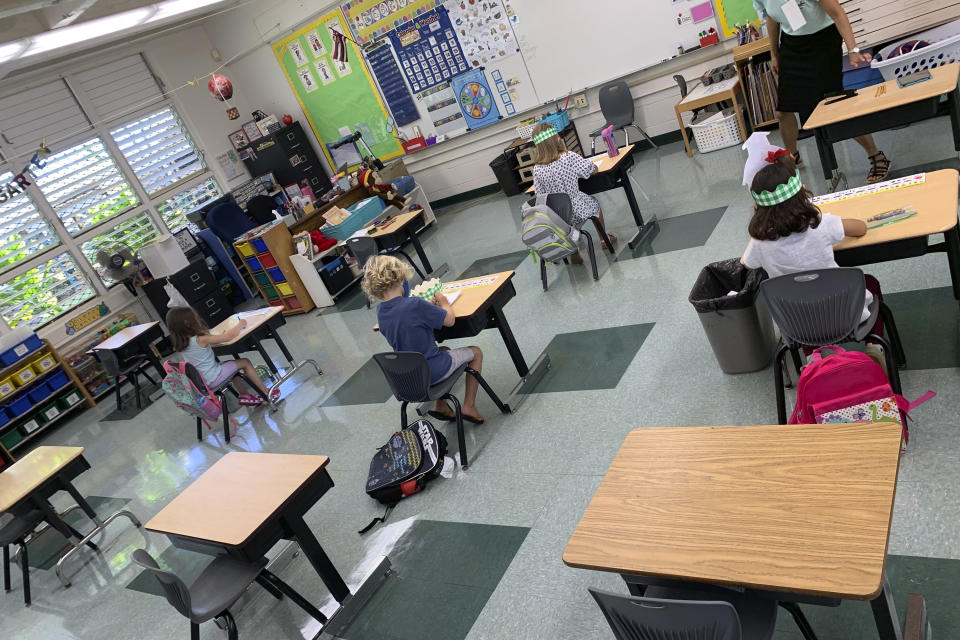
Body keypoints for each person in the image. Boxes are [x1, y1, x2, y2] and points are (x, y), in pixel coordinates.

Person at [743, 150, 886, 358]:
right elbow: (860, 228)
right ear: (801, 194)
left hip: (797, 325)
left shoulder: (759, 242)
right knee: (870, 282)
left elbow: (747, 263)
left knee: (803, 302)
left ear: (758, 207)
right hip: (844, 314)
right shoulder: (819, 223)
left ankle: (814, 356)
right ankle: (874, 344)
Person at [754, 0, 892, 183]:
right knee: (783, 110)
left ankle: (876, 156)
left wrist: (853, 50)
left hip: (823, 41)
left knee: (836, 106)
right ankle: (791, 157)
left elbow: (837, 13)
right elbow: (772, 15)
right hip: (792, 43)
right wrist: (774, 54)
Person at [362, 255, 485, 424]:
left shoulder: (381, 312)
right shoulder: (415, 305)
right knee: (476, 352)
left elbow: (407, 325)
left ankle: (440, 406)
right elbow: (449, 321)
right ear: (400, 278)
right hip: (432, 371)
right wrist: (444, 302)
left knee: (445, 351)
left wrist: (426, 310)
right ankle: (469, 406)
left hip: (410, 378)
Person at [531, 123, 617, 259]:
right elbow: (591, 170)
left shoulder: (537, 169)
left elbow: (539, 196)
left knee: (567, 226)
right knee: (595, 206)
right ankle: (603, 239)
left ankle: (573, 253)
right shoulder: (568, 157)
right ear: (556, 139)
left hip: (556, 217)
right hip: (576, 208)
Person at [166, 307, 270, 405]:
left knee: (231, 365)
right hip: (213, 378)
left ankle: (244, 396)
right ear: (188, 324)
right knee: (245, 362)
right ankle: (265, 392)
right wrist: (240, 324)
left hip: (203, 382)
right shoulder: (200, 339)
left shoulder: (183, 344)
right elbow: (230, 336)